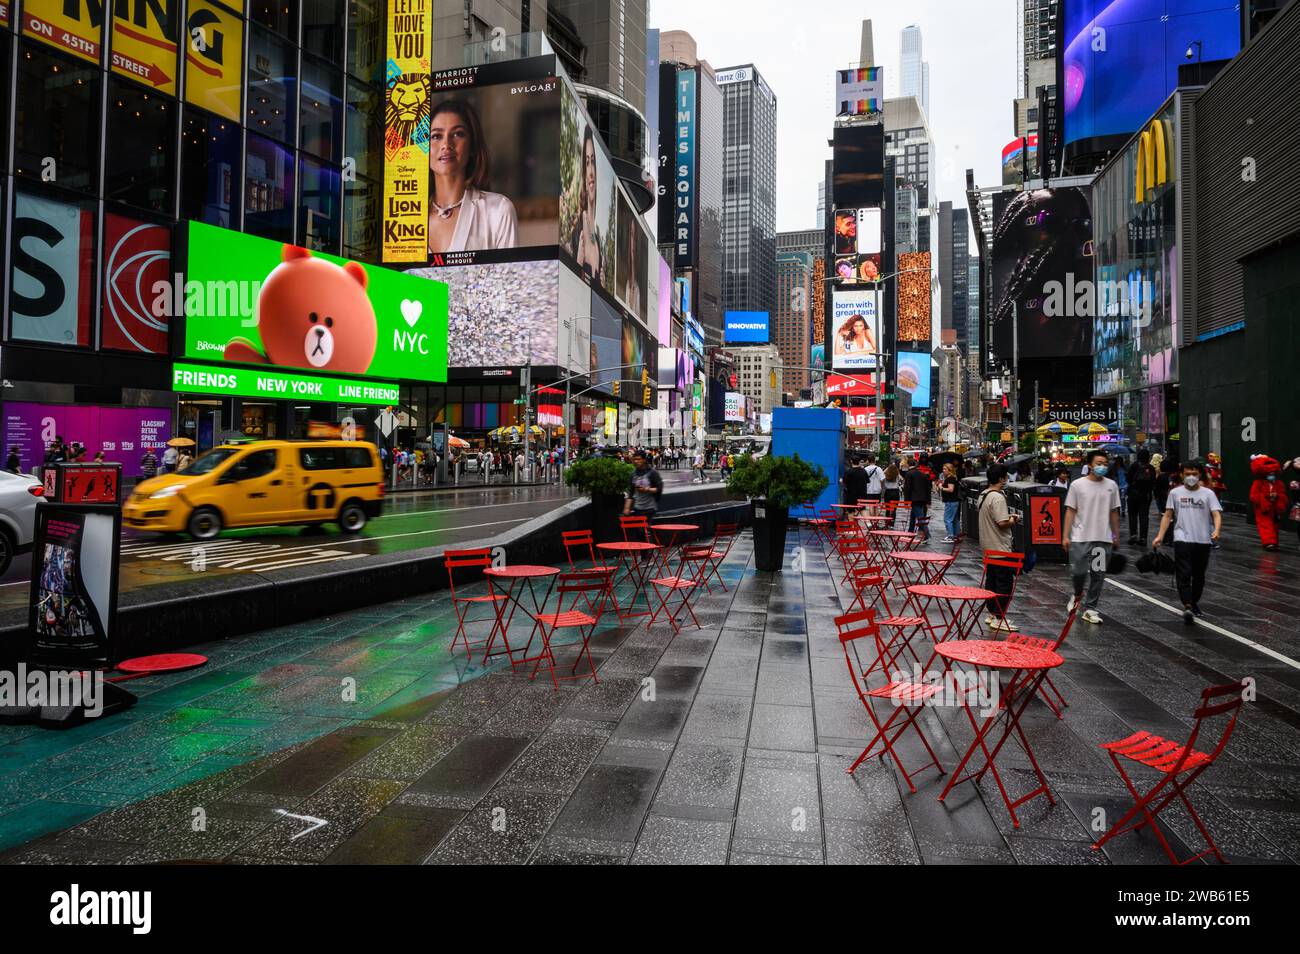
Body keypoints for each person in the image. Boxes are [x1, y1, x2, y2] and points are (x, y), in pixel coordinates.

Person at [426, 99, 518, 255]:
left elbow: (509, 278)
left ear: (472, 147)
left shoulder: (498, 211)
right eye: (436, 136)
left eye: (457, 134)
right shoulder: (406, 218)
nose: (446, 144)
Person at [1153, 461, 1222, 625]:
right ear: (1182, 475)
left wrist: (1217, 530)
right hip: (1182, 538)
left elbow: (1216, 514)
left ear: (1200, 475)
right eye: (1188, 474)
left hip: (1203, 540)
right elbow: (1168, 515)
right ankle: (1188, 604)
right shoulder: (1175, 493)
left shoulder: (1208, 494)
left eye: (1195, 474)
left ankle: (1194, 601)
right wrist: (1160, 536)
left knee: (1199, 575)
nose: (1191, 477)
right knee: (1183, 572)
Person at [1062, 449, 1122, 625]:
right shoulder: (1077, 485)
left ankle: (1090, 608)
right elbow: (1070, 511)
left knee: (1098, 575)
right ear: (1089, 465)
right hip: (1080, 537)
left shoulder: (1111, 486)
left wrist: (1116, 535)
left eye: (1105, 463)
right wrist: (1065, 535)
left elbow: (1114, 512)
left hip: (1102, 539)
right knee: (1079, 571)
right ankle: (1078, 592)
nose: (1102, 466)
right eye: (1098, 463)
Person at [978, 463, 1021, 631]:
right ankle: (998, 616)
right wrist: (1013, 519)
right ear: (1002, 478)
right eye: (1006, 476)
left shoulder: (984, 494)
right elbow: (1002, 523)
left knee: (992, 582)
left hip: (988, 547)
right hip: (1000, 547)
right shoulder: (997, 497)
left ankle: (992, 614)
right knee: (1004, 584)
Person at [566, 125, 607, 284]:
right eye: (587, 163)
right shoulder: (577, 232)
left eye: (593, 163)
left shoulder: (597, 239)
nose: (591, 171)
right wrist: (578, 261)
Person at [1126, 449, 1156, 546]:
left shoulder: (1134, 465)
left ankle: (1133, 536)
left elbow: (1128, 478)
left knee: (1132, 515)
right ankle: (1143, 538)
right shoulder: (1151, 468)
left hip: (1133, 494)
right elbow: (1153, 482)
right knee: (1144, 517)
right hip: (1146, 495)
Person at [625, 451, 663, 519]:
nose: (636, 461)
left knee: (645, 528)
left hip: (650, 508)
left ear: (644, 460)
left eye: (638, 459)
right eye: (634, 459)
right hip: (637, 508)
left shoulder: (652, 473)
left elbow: (659, 489)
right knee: (640, 528)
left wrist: (646, 489)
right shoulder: (633, 474)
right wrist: (627, 508)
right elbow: (630, 493)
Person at [902, 456, 932, 541]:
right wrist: (928, 500)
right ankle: (910, 532)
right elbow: (928, 488)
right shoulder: (922, 474)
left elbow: (907, 488)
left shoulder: (909, 474)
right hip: (922, 498)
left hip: (914, 498)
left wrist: (906, 501)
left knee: (920, 517)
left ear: (908, 464)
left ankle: (927, 534)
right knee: (913, 516)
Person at [939, 462, 960, 542]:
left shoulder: (950, 478)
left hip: (951, 501)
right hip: (953, 501)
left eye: (945, 469)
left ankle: (950, 536)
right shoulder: (952, 478)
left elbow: (951, 489)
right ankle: (956, 535)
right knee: (954, 519)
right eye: (943, 469)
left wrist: (941, 488)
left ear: (950, 470)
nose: (943, 471)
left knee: (947, 519)